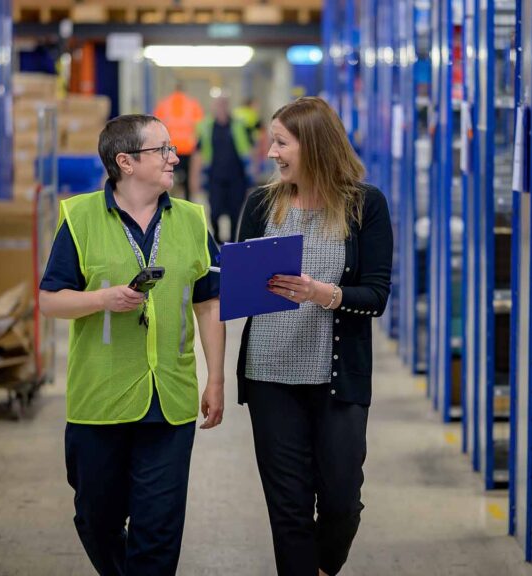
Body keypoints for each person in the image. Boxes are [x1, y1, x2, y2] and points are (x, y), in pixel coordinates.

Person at [39, 114, 225, 576]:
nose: (173, 156)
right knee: (97, 520)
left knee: (158, 528)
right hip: (100, 399)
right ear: (125, 161)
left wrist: (216, 378)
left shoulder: (190, 219)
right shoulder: (79, 218)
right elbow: (48, 301)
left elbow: (208, 304)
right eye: (161, 149)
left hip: (171, 399)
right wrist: (102, 298)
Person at [234, 96, 393, 576]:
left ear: (315, 145)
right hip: (270, 376)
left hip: (336, 380)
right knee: (289, 508)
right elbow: (240, 290)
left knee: (342, 499)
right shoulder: (261, 204)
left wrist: (322, 293)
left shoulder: (366, 205)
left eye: (281, 143)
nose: (272, 153)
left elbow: (376, 295)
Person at [190, 96, 253, 243]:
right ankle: (218, 238)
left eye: (224, 104)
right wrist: (195, 177)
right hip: (215, 178)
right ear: (213, 107)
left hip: (237, 177)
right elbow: (198, 153)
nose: (221, 108)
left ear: (228, 106)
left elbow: (250, 148)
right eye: (218, 105)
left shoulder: (238, 125)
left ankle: (231, 243)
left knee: (235, 213)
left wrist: (253, 171)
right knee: (215, 211)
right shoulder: (206, 127)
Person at [153, 83, 204, 201]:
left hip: (169, 148)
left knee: (167, 177)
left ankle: (166, 202)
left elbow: (155, 126)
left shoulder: (163, 104)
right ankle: (187, 202)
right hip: (188, 148)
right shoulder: (193, 104)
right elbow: (199, 127)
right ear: (184, 90)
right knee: (187, 181)